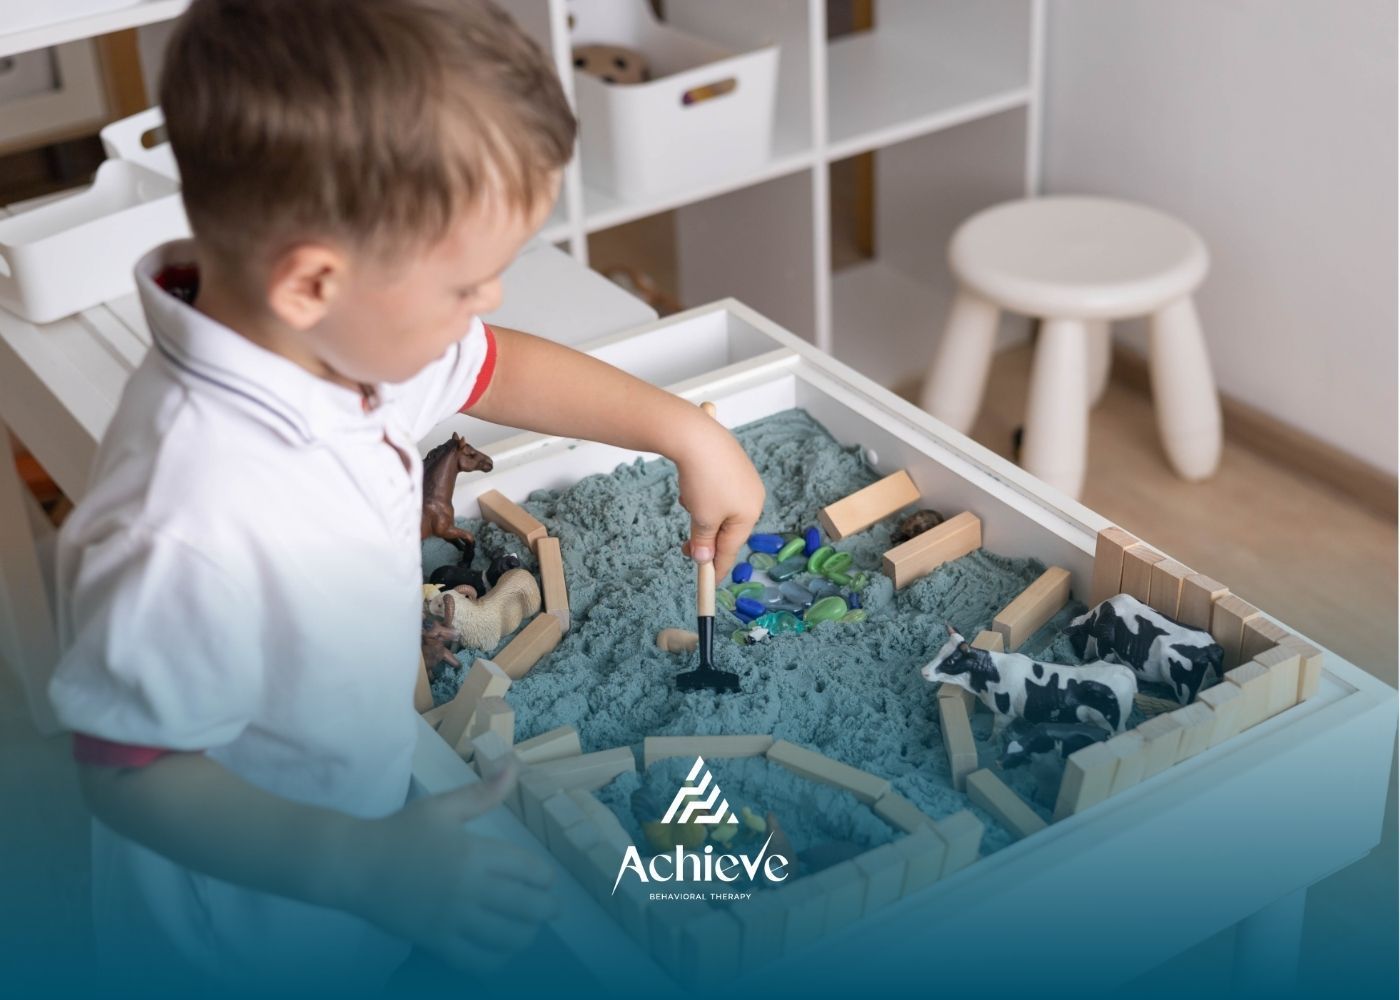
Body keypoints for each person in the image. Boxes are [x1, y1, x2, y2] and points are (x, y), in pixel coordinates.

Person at [44, 0, 765, 992]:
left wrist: (684, 430)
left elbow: (484, 368)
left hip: (364, 827)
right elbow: (131, 769)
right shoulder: (188, 515)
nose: (487, 305)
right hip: (247, 932)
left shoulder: (331, 340)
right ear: (311, 283)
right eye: (464, 285)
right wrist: (361, 864)